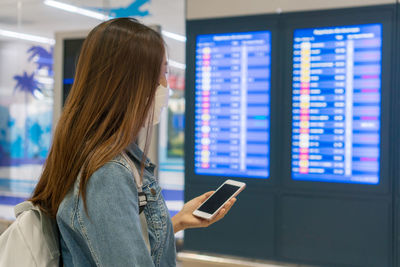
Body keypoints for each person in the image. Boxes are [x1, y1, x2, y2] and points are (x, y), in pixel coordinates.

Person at [29, 17, 236, 266]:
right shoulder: (107, 173)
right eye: (161, 74)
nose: (166, 86)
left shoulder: (95, 153)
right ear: (128, 83)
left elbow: (115, 244)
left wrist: (179, 220)